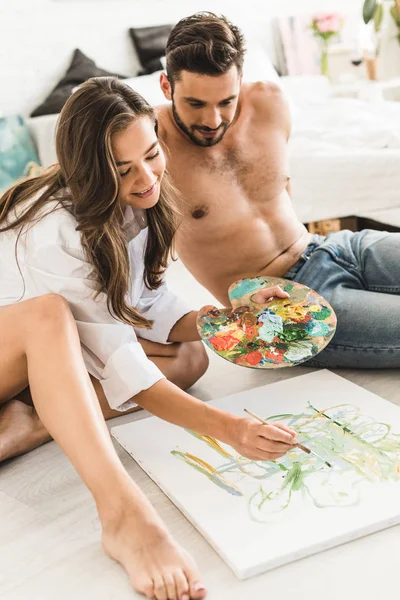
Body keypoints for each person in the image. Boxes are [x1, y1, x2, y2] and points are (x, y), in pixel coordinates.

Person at [0, 77, 297, 600]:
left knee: (190, 361)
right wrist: (225, 427)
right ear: (90, 173)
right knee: (49, 316)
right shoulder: (52, 231)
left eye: (152, 154)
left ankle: (35, 419)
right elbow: (120, 360)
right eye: (122, 170)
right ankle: (123, 514)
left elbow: (142, 304)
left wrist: (225, 317)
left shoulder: (139, 200)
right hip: (25, 338)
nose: (146, 179)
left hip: (31, 353)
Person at [158, 12, 400, 371]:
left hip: (333, 248)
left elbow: (281, 189)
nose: (212, 120)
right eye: (195, 104)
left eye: (226, 101)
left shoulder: (269, 100)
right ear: (166, 87)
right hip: (280, 304)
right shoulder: (150, 146)